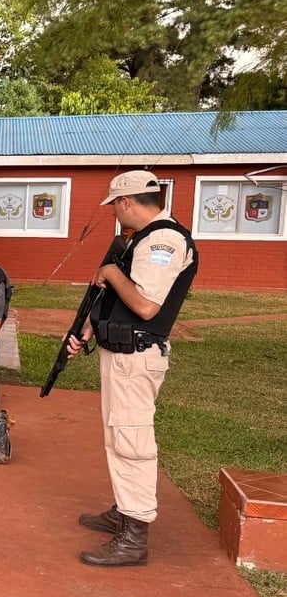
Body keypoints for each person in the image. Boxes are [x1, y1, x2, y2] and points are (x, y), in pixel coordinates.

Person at [66, 170, 198, 567]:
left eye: (115, 207)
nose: (116, 215)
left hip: (137, 356)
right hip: (122, 353)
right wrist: (86, 332)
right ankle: (125, 510)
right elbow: (115, 303)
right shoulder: (137, 239)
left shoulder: (163, 240)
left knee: (132, 441)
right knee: (119, 435)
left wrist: (109, 272)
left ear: (126, 203)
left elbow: (144, 305)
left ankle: (134, 535)